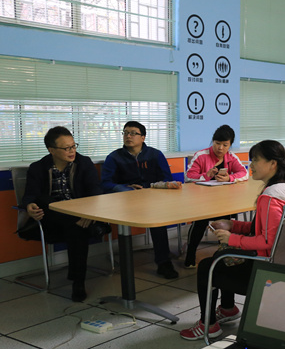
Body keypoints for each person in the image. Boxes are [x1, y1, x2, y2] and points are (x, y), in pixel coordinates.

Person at [180, 140, 285, 340]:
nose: (250, 165)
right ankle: (227, 308)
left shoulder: (270, 197)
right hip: (282, 262)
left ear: (273, 164)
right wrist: (232, 225)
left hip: (264, 269)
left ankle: (208, 325)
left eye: (255, 160)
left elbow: (268, 241)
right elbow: (261, 228)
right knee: (223, 254)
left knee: (207, 266)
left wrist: (232, 239)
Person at [20, 127, 104, 301]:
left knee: (76, 229)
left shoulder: (84, 163)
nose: (72, 151)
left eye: (73, 146)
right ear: (51, 150)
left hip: (82, 215)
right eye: (66, 148)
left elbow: (95, 193)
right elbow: (30, 196)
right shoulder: (38, 168)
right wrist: (30, 206)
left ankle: (78, 282)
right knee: (44, 200)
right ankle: (78, 280)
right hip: (52, 218)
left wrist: (88, 214)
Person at [101, 121, 178, 279]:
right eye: (125, 133)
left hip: (153, 200)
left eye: (133, 133)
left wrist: (152, 189)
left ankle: (164, 263)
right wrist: (125, 188)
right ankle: (126, 263)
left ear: (143, 137)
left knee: (157, 220)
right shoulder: (114, 157)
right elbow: (106, 183)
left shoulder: (155, 155)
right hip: (125, 202)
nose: (128, 136)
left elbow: (167, 179)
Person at [183, 124, 249, 268]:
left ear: (230, 145)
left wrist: (230, 178)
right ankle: (190, 255)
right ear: (212, 141)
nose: (220, 148)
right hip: (202, 200)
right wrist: (206, 175)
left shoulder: (231, 157)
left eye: (225, 145)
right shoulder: (201, 155)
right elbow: (188, 176)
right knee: (200, 223)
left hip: (224, 201)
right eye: (217, 143)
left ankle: (224, 255)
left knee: (226, 221)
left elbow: (244, 173)